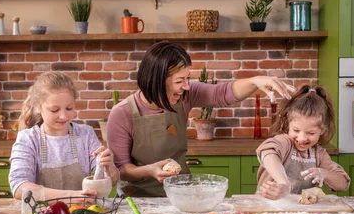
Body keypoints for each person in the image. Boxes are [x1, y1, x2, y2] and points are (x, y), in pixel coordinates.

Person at [106, 41, 295, 197]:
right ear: (155, 81)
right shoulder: (122, 113)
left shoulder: (185, 96)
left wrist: (256, 81)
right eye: (180, 81)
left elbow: (222, 93)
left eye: (187, 79)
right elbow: (121, 169)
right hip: (137, 200)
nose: (186, 86)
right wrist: (150, 170)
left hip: (180, 192)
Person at [9, 72, 119, 200]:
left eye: (69, 108)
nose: (63, 116)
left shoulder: (85, 134)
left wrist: (109, 168)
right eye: (55, 110)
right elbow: (19, 188)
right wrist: (72, 196)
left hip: (81, 213)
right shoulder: (28, 139)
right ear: (37, 107)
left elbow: (113, 180)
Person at [256, 85, 350, 200]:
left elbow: (343, 184)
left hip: (300, 210)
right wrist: (283, 184)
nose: (302, 138)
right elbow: (267, 152)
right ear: (288, 124)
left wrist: (324, 173)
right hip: (267, 206)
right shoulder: (284, 142)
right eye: (296, 130)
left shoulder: (318, 154)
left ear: (322, 130)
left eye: (310, 133)